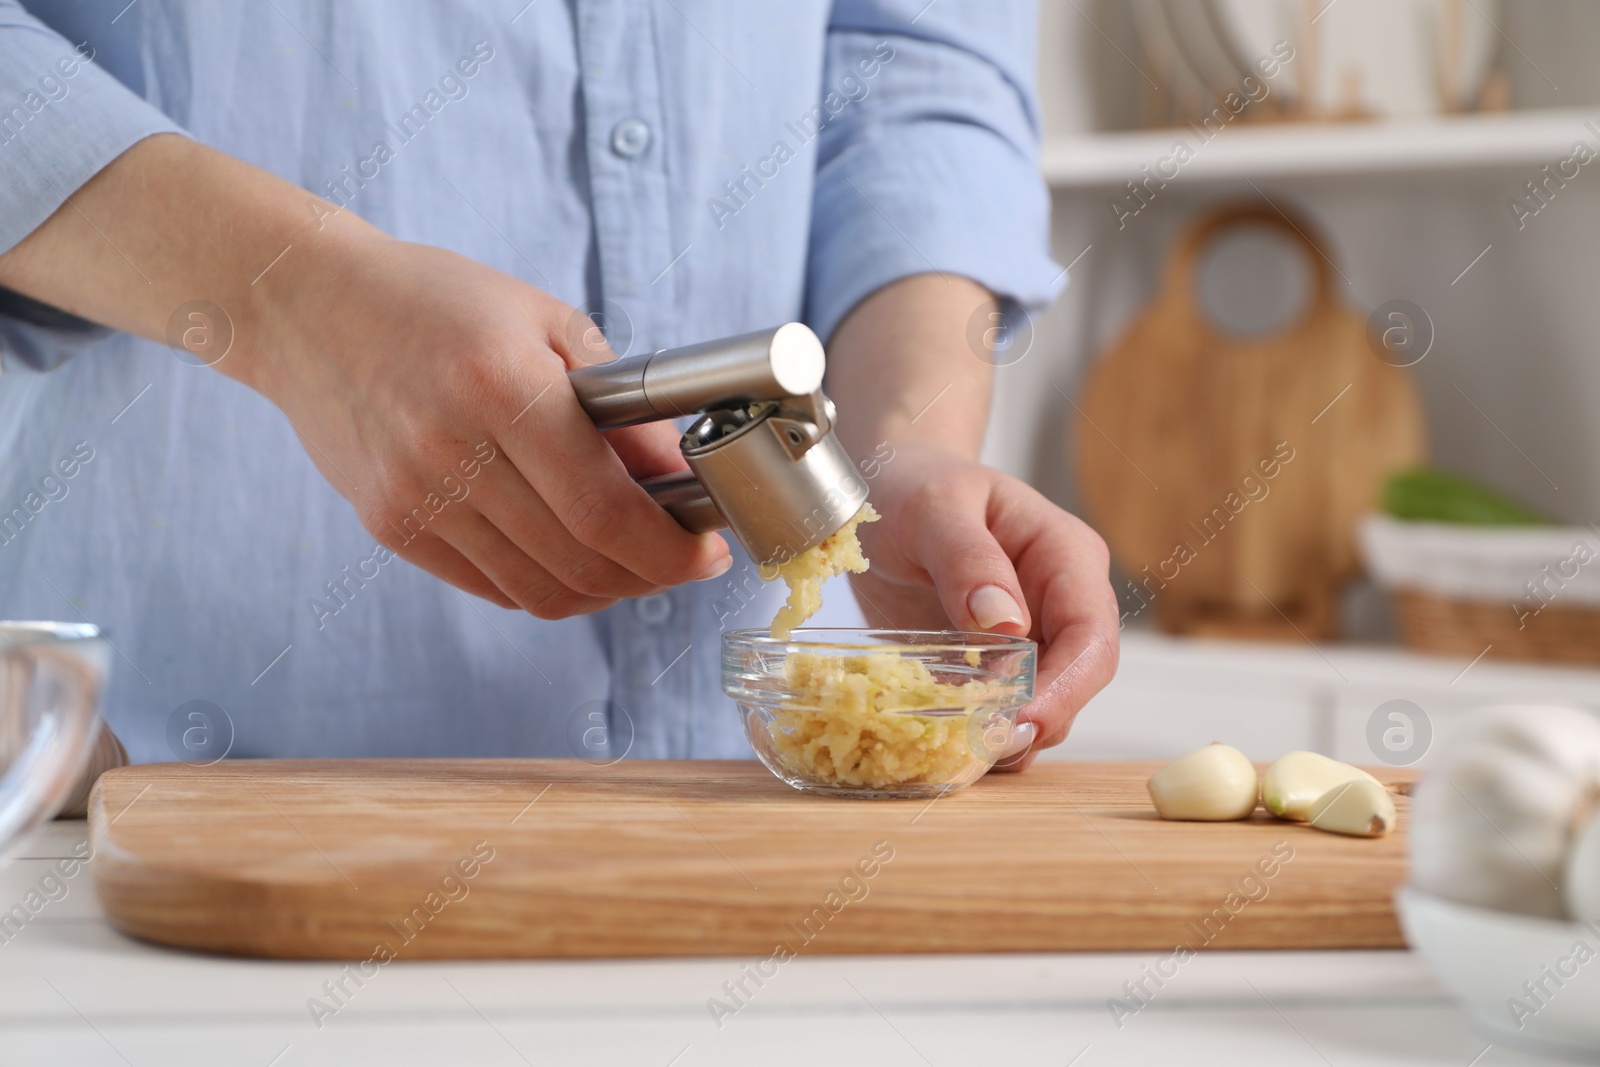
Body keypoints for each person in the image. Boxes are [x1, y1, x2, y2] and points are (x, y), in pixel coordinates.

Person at [0, 0, 1116, 766]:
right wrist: (291, 300)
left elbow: (914, 68)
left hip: (719, 812)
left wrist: (895, 442)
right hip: (143, 765)